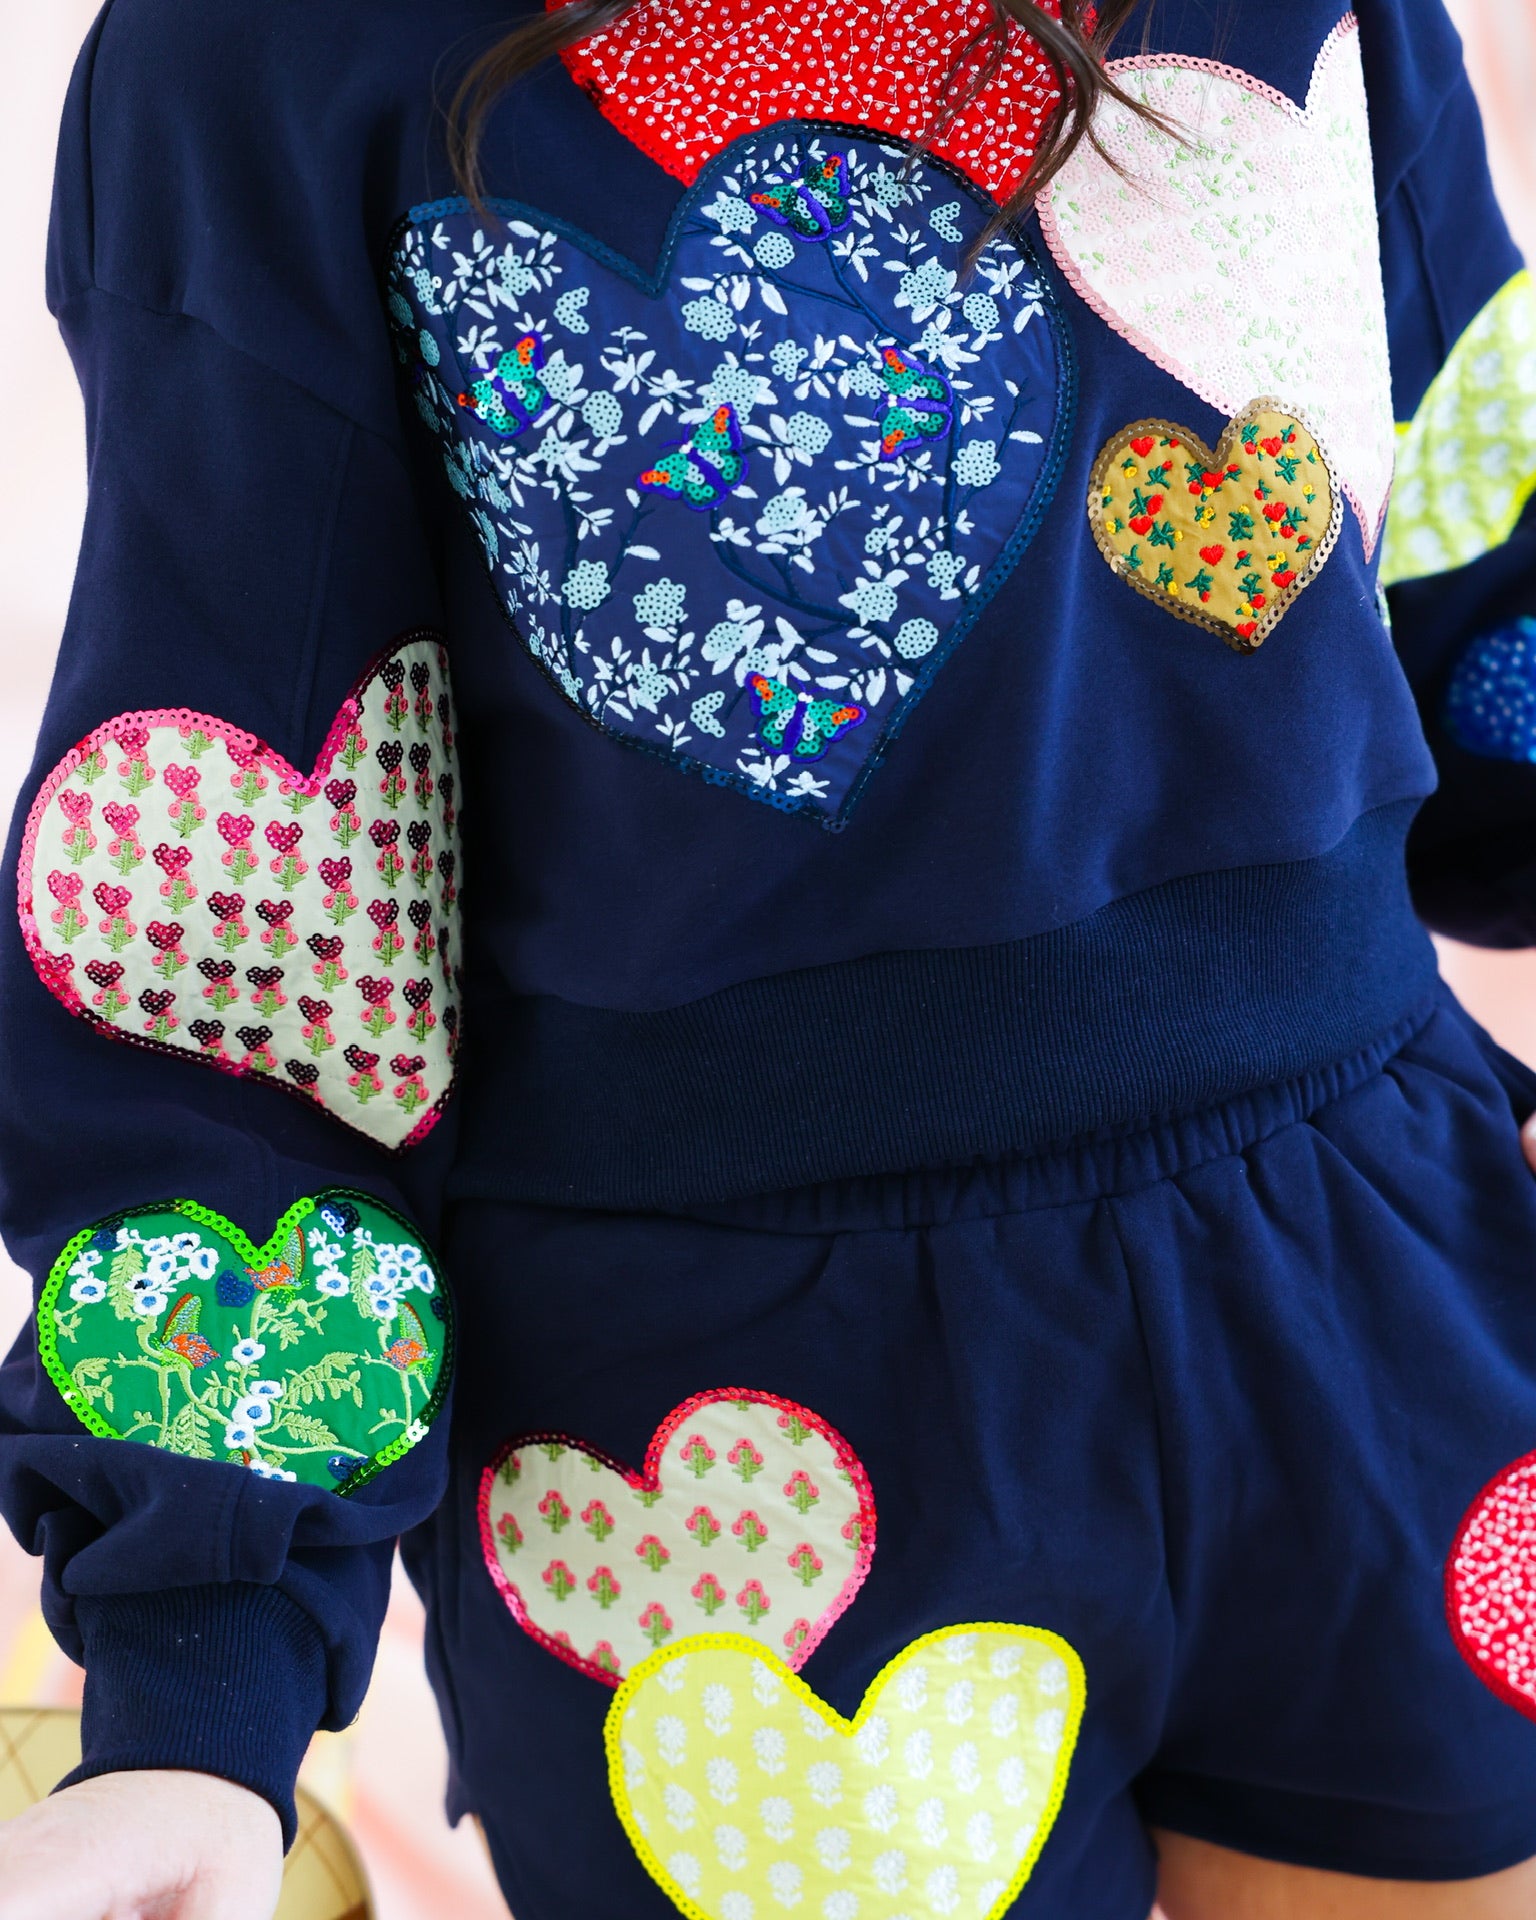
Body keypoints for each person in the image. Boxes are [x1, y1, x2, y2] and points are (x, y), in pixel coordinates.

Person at [3, 0, 1536, 1913]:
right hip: (720, 1482)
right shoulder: (273, 55)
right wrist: (195, 1684)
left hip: (1388, 1309)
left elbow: (1484, 546)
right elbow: (251, 916)